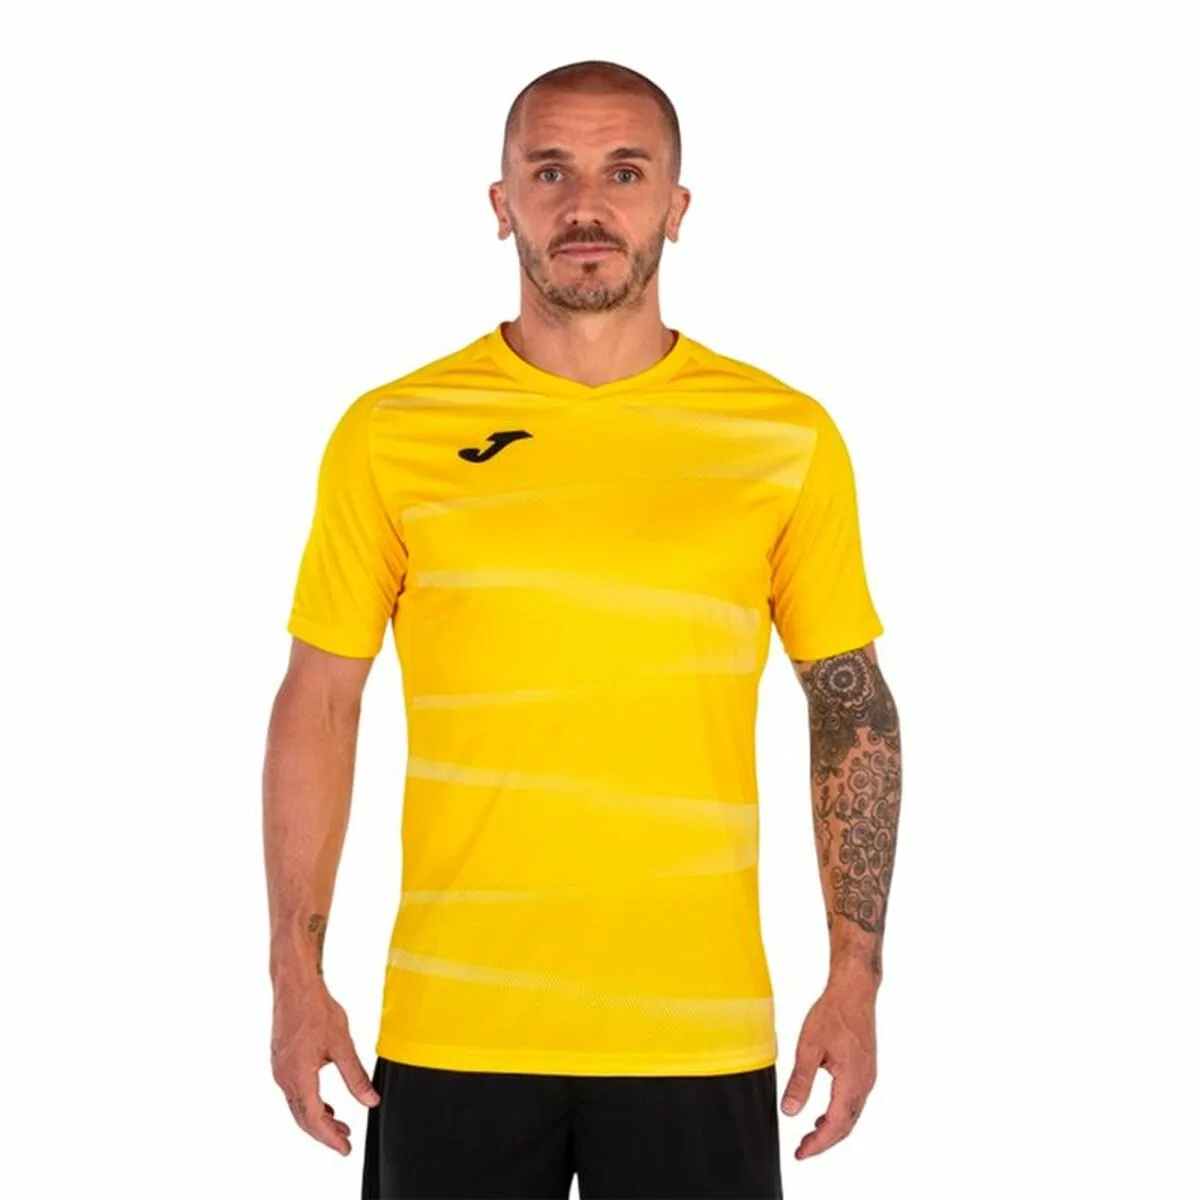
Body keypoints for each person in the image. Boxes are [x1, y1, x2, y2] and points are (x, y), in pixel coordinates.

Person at [263, 58, 903, 1200]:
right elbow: (320, 703)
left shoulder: (785, 437)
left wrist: (854, 977)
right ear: (501, 201)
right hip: (456, 1024)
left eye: (625, 172)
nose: (586, 205)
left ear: (677, 206)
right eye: (550, 172)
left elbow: (850, 707)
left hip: (695, 1032)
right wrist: (292, 976)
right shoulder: (391, 433)